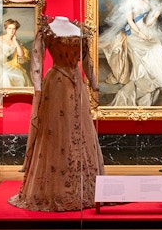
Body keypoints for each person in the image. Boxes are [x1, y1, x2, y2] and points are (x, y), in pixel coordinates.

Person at [9, 16, 105, 212]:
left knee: (78, 132)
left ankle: (85, 188)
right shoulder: (47, 30)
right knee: (56, 134)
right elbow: (36, 60)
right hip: (56, 84)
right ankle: (56, 189)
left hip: (77, 84)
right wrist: (37, 86)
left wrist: (94, 82)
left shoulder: (80, 30)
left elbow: (86, 60)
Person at [100, 0, 162, 106]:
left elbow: (154, 15)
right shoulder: (130, 2)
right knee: (146, 48)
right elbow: (130, 21)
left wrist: (154, 18)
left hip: (146, 29)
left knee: (157, 45)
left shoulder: (147, 1)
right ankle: (151, 77)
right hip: (134, 32)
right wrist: (140, 33)